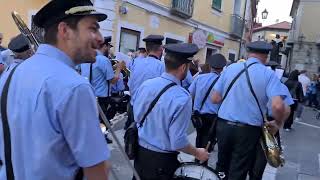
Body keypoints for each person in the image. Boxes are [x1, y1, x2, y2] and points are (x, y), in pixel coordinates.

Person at [0, 0, 111, 179]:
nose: (100, 38)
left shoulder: (9, 75)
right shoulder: (74, 87)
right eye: (93, 28)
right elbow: (97, 171)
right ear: (64, 30)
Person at [211, 41, 291, 180]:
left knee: (221, 164)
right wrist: (278, 123)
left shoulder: (230, 68)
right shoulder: (268, 74)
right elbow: (278, 106)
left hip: (223, 126)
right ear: (266, 57)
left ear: (248, 53)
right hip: (247, 131)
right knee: (238, 168)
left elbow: (215, 98)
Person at [133, 43, 209, 180]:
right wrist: (198, 153)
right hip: (162, 162)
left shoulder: (146, 85)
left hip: (140, 154)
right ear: (183, 67)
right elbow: (178, 142)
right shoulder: (182, 97)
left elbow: (137, 117)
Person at [80, 36, 124, 143]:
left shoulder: (86, 57)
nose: (109, 50)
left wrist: (113, 68)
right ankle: (100, 137)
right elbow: (113, 80)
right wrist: (119, 69)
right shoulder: (104, 60)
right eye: (108, 47)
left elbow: (98, 72)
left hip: (88, 94)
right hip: (101, 97)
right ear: (104, 46)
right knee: (103, 118)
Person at [188, 53, 227, 165]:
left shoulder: (199, 78)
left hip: (198, 115)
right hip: (214, 117)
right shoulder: (222, 81)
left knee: (199, 138)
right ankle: (201, 165)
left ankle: (197, 161)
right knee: (208, 142)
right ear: (222, 68)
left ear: (210, 66)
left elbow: (190, 94)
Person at [125, 35, 165, 129]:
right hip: (149, 112)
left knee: (131, 139)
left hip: (133, 107)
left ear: (146, 50)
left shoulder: (136, 63)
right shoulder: (161, 66)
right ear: (161, 49)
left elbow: (130, 85)